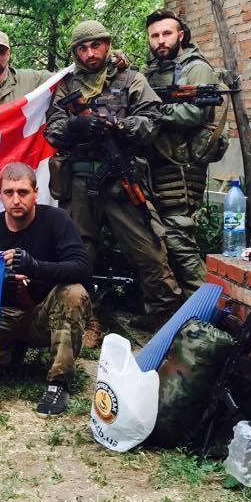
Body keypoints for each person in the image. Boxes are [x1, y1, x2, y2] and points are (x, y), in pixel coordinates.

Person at [44, 20, 184, 334]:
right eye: (83, 47)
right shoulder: (67, 87)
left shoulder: (131, 79)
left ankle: (164, 316)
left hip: (122, 179)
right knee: (79, 252)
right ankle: (83, 318)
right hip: (79, 182)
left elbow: (151, 121)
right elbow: (52, 130)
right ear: (76, 52)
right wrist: (74, 127)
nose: (90, 52)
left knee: (148, 246)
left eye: (96, 45)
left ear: (107, 45)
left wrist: (117, 125)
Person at [0, 163, 91, 416]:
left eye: (23, 192)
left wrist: (35, 267)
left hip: (42, 316)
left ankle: (58, 382)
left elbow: (82, 268)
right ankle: (9, 355)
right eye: (9, 192)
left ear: (36, 192)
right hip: (3, 316)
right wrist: (0, 278)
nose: (16, 200)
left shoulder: (56, 220)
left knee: (74, 293)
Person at [143, 9, 228, 296]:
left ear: (181, 35)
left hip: (181, 166)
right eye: (154, 36)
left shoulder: (196, 67)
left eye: (166, 33)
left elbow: (195, 113)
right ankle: (171, 308)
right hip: (154, 163)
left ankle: (207, 308)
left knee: (178, 235)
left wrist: (152, 111)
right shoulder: (152, 69)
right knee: (153, 238)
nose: (160, 41)